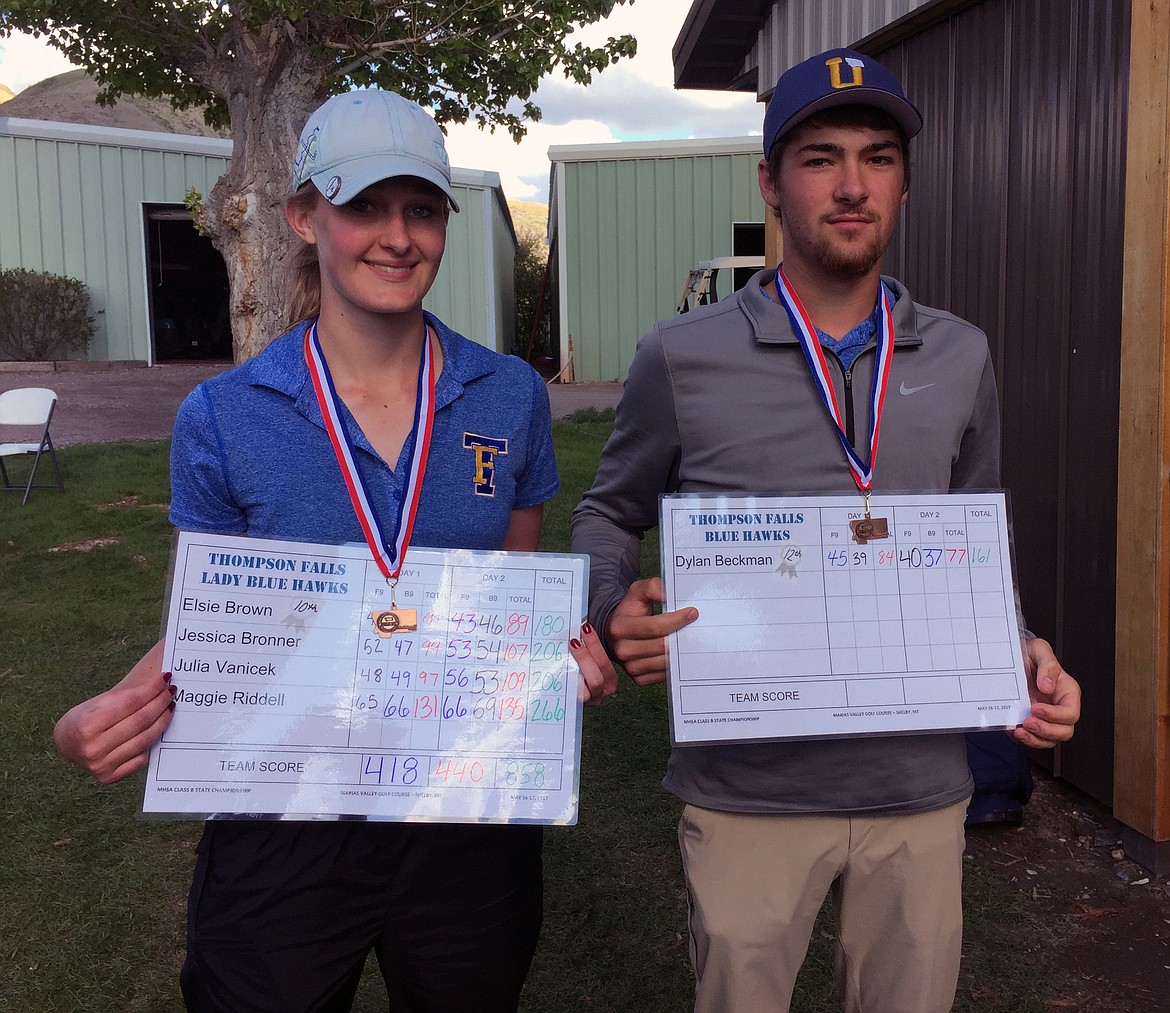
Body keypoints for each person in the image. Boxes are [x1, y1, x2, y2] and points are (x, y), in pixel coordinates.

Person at [54, 88, 614, 1013]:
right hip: (284, 806)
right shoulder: (227, 417)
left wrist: (560, 658)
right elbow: (216, 627)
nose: (397, 236)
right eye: (363, 206)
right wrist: (109, 708)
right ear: (305, 217)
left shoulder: (508, 394)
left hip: (461, 808)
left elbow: (511, 597)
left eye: (422, 208)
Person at [569, 49, 1082, 1013]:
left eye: (877, 157)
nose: (851, 186)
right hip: (746, 794)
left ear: (904, 180)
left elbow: (971, 537)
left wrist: (1016, 648)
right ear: (770, 180)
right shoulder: (682, 355)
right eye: (819, 158)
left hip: (921, 793)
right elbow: (609, 508)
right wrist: (609, 604)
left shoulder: (961, 353)